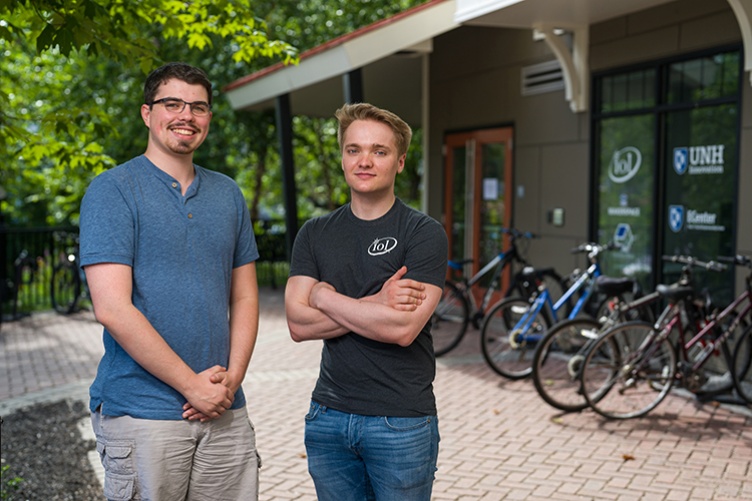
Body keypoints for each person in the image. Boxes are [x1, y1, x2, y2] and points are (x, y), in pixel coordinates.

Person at [79, 62, 261, 501]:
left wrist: (228, 383)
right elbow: (112, 307)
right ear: (147, 113)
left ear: (209, 119)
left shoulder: (228, 194)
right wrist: (191, 386)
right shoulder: (113, 190)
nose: (187, 115)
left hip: (224, 411)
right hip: (143, 414)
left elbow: (245, 294)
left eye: (198, 107)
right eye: (173, 103)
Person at [284, 102, 448, 500]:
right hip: (328, 417)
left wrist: (323, 295)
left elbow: (403, 329)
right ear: (342, 157)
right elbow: (297, 324)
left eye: (380, 151)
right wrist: (376, 301)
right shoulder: (315, 233)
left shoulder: (423, 234)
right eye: (354, 149)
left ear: (401, 161)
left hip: (401, 422)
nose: (365, 161)